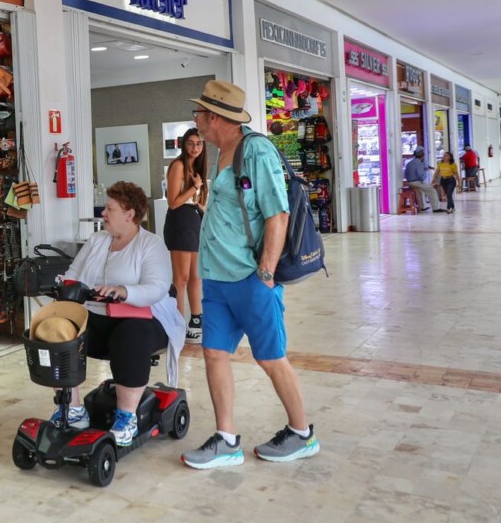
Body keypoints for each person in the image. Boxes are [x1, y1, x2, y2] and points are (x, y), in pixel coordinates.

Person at [181, 80, 319, 469]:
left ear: (214, 117)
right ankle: (226, 440)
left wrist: (266, 273)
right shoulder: (221, 153)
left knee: (271, 357)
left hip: (250, 277)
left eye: (198, 113)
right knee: (213, 353)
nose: (195, 120)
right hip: (217, 279)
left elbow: (278, 214)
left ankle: (302, 433)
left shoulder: (255, 150)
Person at [54, 181, 186, 445]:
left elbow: (158, 287)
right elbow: (74, 275)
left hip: (147, 320)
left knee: (130, 335)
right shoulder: (97, 240)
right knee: (59, 329)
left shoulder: (151, 244)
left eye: (110, 209)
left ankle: (127, 418)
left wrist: (124, 291)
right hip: (99, 316)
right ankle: (73, 409)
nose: (103, 213)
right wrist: (63, 284)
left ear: (129, 214)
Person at [164, 128, 207, 343]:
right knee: (181, 279)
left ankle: (196, 321)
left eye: (198, 143)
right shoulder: (179, 165)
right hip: (180, 222)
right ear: (183, 145)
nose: (195, 147)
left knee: (195, 276)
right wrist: (195, 187)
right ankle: (178, 325)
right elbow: (173, 203)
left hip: (194, 221)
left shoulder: (197, 167)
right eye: (190, 143)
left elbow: (197, 201)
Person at [403, 146, 444, 212]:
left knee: (422, 190)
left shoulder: (410, 162)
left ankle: (423, 206)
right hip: (415, 182)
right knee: (432, 190)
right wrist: (425, 171)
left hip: (409, 182)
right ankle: (436, 208)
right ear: (422, 155)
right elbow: (421, 176)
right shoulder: (419, 163)